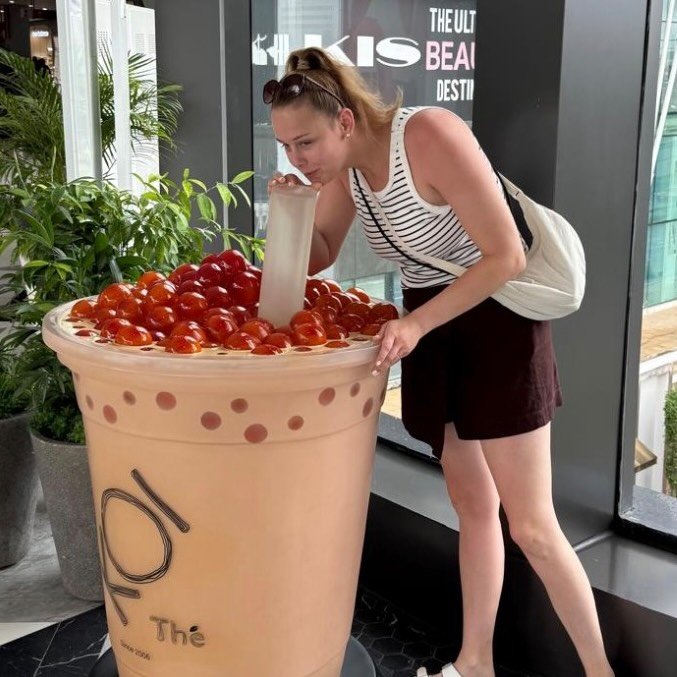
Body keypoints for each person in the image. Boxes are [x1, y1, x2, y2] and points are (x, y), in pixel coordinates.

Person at [264, 47, 614, 677]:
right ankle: (476, 662)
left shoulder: (428, 135)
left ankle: (600, 671)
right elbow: (319, 253)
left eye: (306, 142)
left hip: (498, 323)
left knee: (532, 526)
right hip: (433, 328)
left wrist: (416, 325)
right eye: (287, 147)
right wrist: (290, 208)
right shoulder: (346, 173)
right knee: (472, 506)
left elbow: (506, 255)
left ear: (345, 120)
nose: (299, 158)